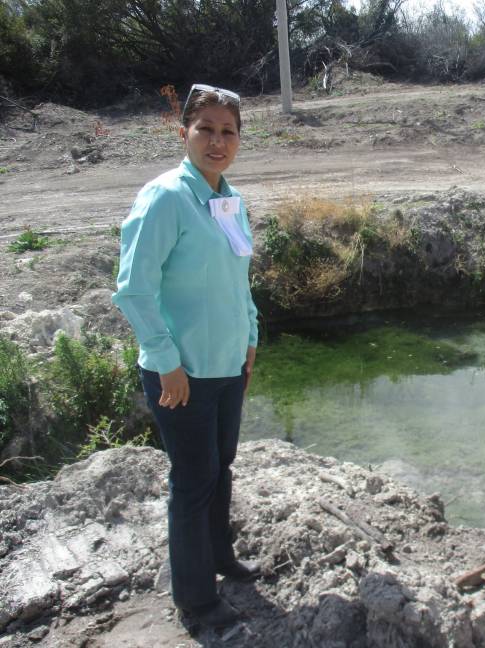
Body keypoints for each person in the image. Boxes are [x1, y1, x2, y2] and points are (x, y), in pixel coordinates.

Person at [112, 83, 260, 630]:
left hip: (226, 364)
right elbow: (133, 289)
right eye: (207, 129)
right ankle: (196, 601)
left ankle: (219, 557)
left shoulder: (230, 200)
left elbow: (238, 283)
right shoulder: (166, 197)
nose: (217, 141)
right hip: (183, 373)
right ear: (184, 134)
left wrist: (250, 340)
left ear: (239, 140)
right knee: (193, 479)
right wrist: (164, 361)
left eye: (228, 132)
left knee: (220, 468)